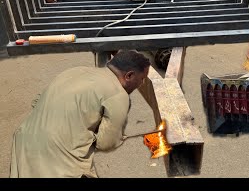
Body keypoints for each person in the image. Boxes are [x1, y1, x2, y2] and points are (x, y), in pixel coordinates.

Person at [10, 50, 150, 178]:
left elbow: (36, 101)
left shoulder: (75, 71)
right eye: (142, 78)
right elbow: (106, 142)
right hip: (59, 159)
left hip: (24, 143)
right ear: (129, 75)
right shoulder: (118, 95)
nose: (142, 83)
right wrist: (114, 136)